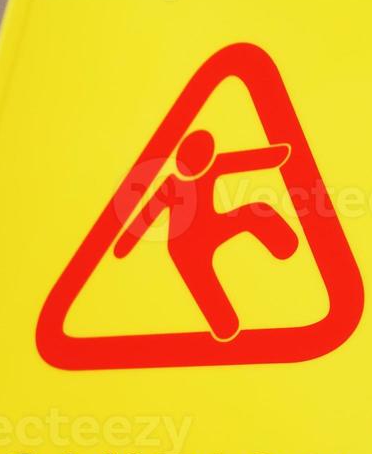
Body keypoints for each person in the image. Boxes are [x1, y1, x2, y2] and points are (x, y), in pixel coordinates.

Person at [114, 129, 299, 341]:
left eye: (204, 155)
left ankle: (286, 246)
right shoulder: (170, 184)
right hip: (183, 247)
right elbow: (145, 218)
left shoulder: (214, 166)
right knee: (204, 285)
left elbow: (248, 160)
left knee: (255, 210)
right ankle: (224, 327)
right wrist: (124, 245)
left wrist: (283, 153)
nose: (200, 162)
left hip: (210, 227)